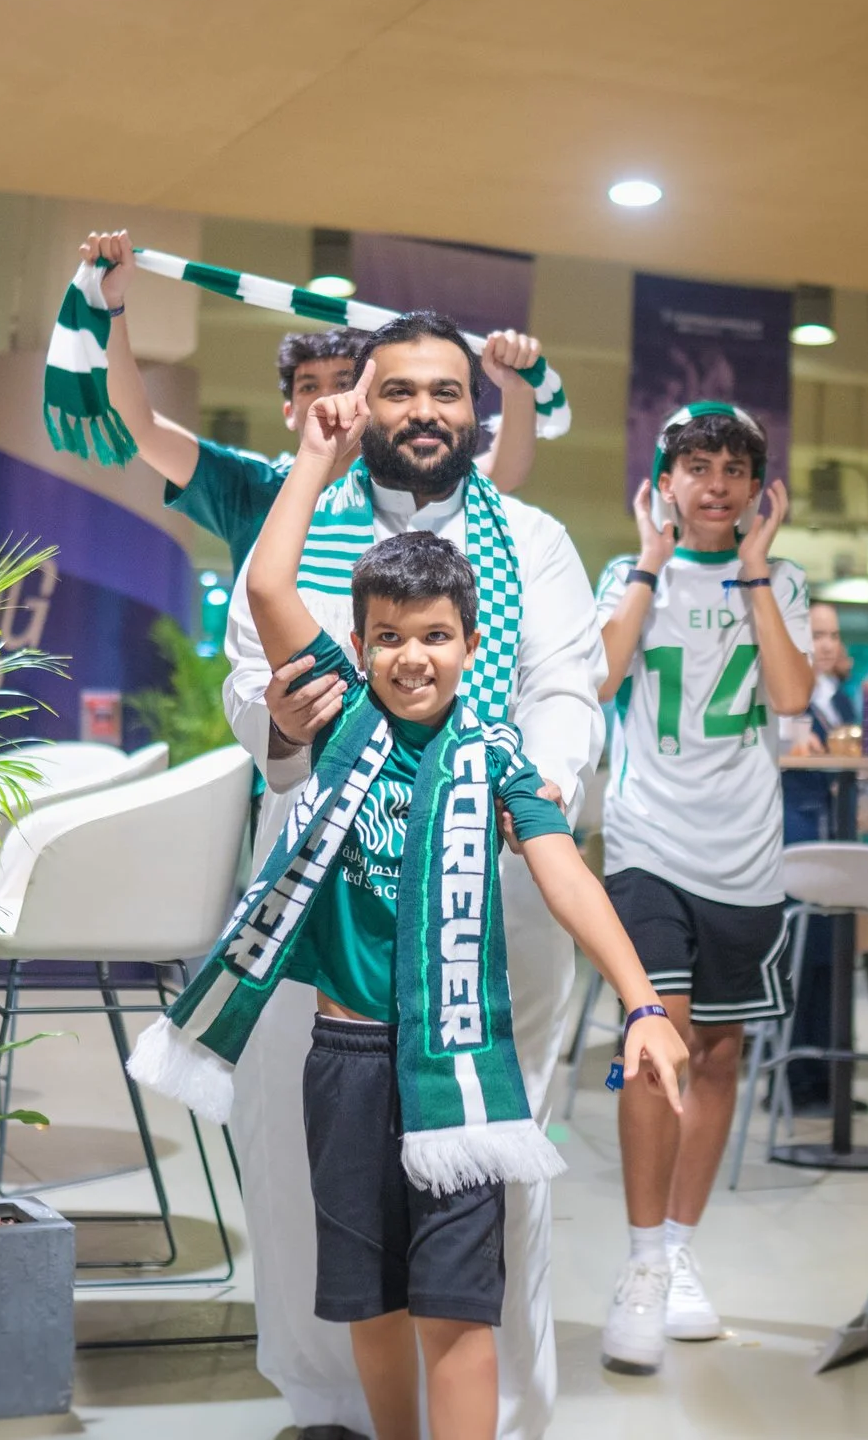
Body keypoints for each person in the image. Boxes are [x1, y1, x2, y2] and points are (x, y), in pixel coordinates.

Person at [132, 361, 686, 1440]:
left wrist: (644, 1002)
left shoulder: (497, 756)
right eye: (387, 638)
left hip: (460, 1060)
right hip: (344, 1060)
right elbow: (268, 589)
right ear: (358, 648)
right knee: (369, 1295)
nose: (412, 657)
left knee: (459, 1298)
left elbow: (567, 871)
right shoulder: (341, 724)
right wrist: (312, 460)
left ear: (474, 647)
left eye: (436, 637)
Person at [218, 312, 605, 1440]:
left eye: (447, 391)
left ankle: (496, 1417)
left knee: (490, 1168)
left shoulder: (531, 537)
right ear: (361, 402)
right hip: (326, 900)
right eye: (399, 391)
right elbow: (249, 667)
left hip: (492, 895)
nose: (425, 411)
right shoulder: (300, 524)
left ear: (476, 411)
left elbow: (565, 686)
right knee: (310, 1172)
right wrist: (275, 715)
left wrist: (530, 784)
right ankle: (332, 1406)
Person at [589, 402, 811, 1373]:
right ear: (665, 480)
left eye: (733, 469)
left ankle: (680, 1252)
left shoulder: (783, 579)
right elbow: (599, 677)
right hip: (648, 843)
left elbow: (793, 695)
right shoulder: (627, 571)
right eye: (697, 467)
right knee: (655, 1044)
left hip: (744, 853)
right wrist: (650, 558)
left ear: (758, 486)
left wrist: (754, 567)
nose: (716, 485)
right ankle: (641, 1264)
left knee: (717, 1056)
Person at [78, 230, 543, 578]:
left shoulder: (412, 479)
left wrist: (517, 389)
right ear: (289, 413)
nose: (326, 398)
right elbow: (138, 427)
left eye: (342, 381)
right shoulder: (253, 489)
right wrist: (110, 305)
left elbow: (503, 473)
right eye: (307, 387)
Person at [780, 603, 858, 1107]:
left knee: (833, 957)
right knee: (801, 958)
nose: (827, 644)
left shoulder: (841, 701)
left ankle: (833, 1075)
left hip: (838, 832)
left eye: (833, 634)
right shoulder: (787, 699)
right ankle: (795, 1078)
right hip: (798, 833)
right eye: (818, 634)